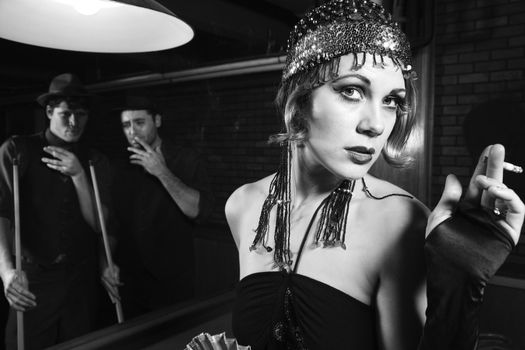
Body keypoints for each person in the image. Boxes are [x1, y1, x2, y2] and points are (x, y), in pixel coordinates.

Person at [225, 1, 525, 349]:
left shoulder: (398, 220)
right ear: (299, 100)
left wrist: (457, 292)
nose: (376, 125)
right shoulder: (243, 206)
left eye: (392, 101)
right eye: (351, 91)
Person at [0, 73, 119, 349]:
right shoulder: (17, 150)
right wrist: (7, 271)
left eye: (81, 114)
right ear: (50, 111)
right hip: (34, 276)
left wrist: (79, 176)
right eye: (66, 114)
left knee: (79, 344)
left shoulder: (94, 160)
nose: (74, 122)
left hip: (80, 278)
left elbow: (100, 225)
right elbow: (1, 214)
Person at [112, 96, 213, 319]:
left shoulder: (186, 158)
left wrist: (161, 172)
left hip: (173, 283)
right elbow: (113, 224)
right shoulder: (120, 167)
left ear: (157, 121)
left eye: (139, 123)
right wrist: (107, 263)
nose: (132, 132)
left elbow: (198, 211)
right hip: (131, 282)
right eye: (126, 125)